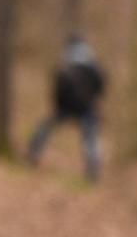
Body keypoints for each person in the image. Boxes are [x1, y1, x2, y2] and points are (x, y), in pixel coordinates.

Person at [26, 33, 105, 181]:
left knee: (44, 128)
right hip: (86, 108)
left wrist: (59, 106)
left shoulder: (65, 63)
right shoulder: (92, 64)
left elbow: (57, 89)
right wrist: (94, 101)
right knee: (90, 140)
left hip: (66, 107)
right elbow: (101, 85)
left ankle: (33, 154)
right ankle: (93, 170)